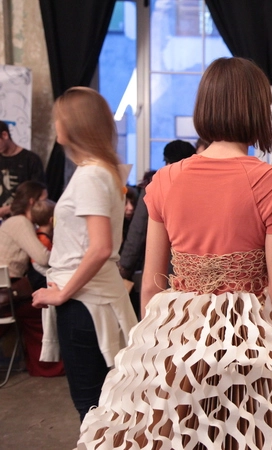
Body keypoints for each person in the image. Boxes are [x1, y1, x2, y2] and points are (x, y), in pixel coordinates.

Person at [77, 57, 272, 449]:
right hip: (251, 339)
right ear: (258, 111)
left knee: (183, 435)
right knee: (256, 434)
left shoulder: (165, 180)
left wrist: (153, 352)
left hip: (182, 335)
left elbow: (152, 285)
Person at [31, 87, 138, 421]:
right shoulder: (100, 171)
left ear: (74, 124)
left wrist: (62, 294)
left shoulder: (92, 174)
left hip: (84, 302)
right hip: (92, 299)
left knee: (92, 408)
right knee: (102, 406)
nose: (55, 123)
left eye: (59, 117)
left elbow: (101, 247)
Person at [118, 140, 196, 317]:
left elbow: (138, 232)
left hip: (161, 271)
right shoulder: (202, 187)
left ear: (167, 161)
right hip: (197, 277)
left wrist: (124, 268)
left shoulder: (158, 186)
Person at [0, 181, 62, 377]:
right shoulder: (20, 222)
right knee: (45, 308)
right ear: (32, 201)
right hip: (7, 293)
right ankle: (48, 365)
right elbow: (42, 257)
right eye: (44, 199)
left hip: (10, 290)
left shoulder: (16, 221)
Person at [0, 121, 46, 219]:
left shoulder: (31, 160)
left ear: (4, 135)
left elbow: (39, 194)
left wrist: (7, 209)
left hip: (23, 218)